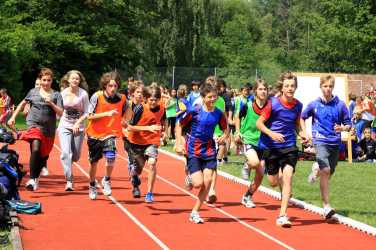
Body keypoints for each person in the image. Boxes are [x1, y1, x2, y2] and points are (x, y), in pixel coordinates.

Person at [256, 72, 308, 228]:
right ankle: (280, 183)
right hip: (271, 147)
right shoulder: (273, 103)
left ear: (296, 87)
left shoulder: (298, 105)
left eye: (292, 86)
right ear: (282, 87)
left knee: (288, 177)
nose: (290, 88)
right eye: (287, 86)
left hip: (289, 146)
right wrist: (272, 134)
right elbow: (259, 123)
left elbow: (297, 125)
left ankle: (282, 215)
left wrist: (303, 134)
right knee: (272, 181)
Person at [175, 83, 228, 224]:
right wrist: (179, 142)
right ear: (203, 98)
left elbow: (226, 128)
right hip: (194, 150)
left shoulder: (218, 113)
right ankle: (190, 176)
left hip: (209, 150)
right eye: (209, 97)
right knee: (198, 183)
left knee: (208, 181)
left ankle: (195, 212)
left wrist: (224, 135)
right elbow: (180, 124)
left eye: (214, 97)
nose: (212, 99)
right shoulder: (195, 111)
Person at [302, 75, 351, 220]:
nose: (328, 89)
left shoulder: (340, 105)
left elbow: (348, 124)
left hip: (335, 143)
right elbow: (301, 117)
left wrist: (343, 128)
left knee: (329, 172)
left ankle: (315, 171)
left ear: (333, 87)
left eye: (330, 86)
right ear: (321, 87)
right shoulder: (314, 104)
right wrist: (304, 132)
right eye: (325, 86)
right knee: (326, 170)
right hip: (320, 141)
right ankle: (326, 206)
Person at [8, 68, 63, 191]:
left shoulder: (56, 95)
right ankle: (32, 179)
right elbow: (22, 104)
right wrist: (13, 117)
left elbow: (61, 113)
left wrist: (52, 104)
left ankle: (37, 173)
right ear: (40, 80)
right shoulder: (33, 92)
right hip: (34, 124)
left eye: (48, 80)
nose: (46, 83)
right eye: (44, 80)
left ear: (52, 81)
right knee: (36, 147)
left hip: (48, 129)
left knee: (43, 155)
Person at [85, 71, 127, 200]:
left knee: (111, 156)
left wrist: (126, 121)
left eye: (115, 86)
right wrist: (106, 114)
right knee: (94, 163)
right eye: (110, 86)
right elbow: (89, 116)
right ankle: (92, 185)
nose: (113, 88)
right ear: (105, 85)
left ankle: (107, 180)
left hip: (110, 133)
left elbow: (127, 112)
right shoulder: (97, 96)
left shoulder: (122, 98)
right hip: (94, 134)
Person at [127, 86, 166, 203]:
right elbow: (130, 127)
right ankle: (133, 175)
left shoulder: (162, 108)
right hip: (137, 142)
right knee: (137, 170)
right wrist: (148, 127)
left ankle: (149, 193)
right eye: (151, 100)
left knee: (152, 163)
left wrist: (164, 132)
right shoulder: (140, 108)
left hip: (152, 141)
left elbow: (163, 120)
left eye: (156, 100)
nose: (153, 102)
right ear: (145, 99)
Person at [235, 79, 270, 208]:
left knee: (260, 174)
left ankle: (247, 196)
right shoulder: (248, 105)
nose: (263, 91)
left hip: (263, 142)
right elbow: (237, 117)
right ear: (255, 91)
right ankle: (246, 164)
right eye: (260, 89)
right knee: (254, 163)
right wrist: (238, 132)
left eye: (265, 89)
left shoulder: (269, 106)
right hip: (248, 139)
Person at [57, 70, 90, 191]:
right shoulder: (63, 93)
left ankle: (69, 167)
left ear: (80, 81)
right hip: (64, 125)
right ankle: (69, 181)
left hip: (78, 127)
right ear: (68, 80)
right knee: (66, 154)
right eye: (73, 78)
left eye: (77, 79)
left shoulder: (83, 94)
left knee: (75, 157)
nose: (75, 80)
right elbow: (59, 110)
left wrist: (77, 122)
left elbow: (87, 112)